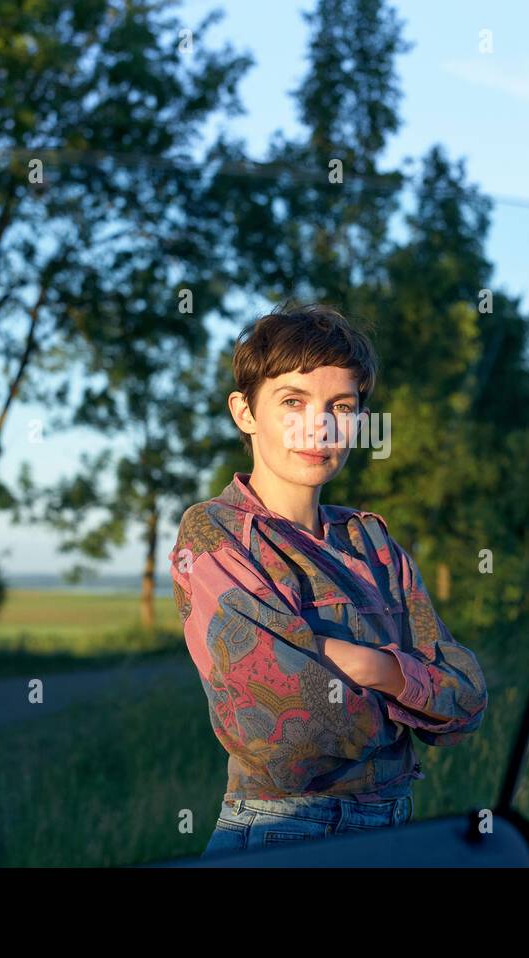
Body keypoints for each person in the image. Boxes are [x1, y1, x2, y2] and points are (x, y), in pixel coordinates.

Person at [168, 300, 488, 858]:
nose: (319, 426)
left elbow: (466, 702)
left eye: (341, 406)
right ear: (245, 412)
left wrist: (367, 664)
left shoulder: (373, 544)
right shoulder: (216, 533)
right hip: (283, 831)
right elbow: (287, 736)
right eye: (293, 401)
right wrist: (409, 691)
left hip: (394, 830)